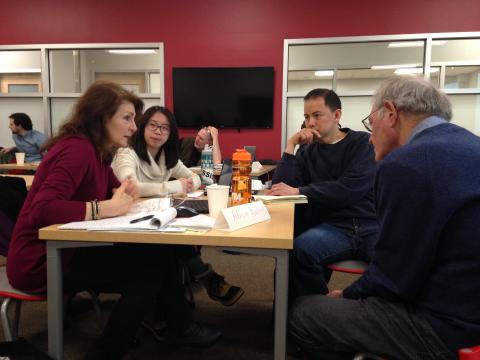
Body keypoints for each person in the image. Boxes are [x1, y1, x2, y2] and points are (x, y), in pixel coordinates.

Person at [6, 81, 221, 360]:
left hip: (71, 249)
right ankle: (115, 350)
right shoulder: (76, 150)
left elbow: (118, 190)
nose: (134, 127)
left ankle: (180, 327)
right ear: (101, 116)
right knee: (148, 273)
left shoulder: (98, 153)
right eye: (127, 118)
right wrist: (102, 208)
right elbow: (42, 210)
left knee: (159, 252)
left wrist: (124, 195)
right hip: (42, 261)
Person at [289, 76, 480, 360]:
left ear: (390, 113)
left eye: (371, 122)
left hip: (447, 328)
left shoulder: (405, 163)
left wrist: (348, 296)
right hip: (465, 305)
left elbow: (394, 279)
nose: (370, 134)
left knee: (303, 313)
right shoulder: (470, 144)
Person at [112, 105, 244, 306]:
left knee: (178, 235)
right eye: (153, 125)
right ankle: (204, 281)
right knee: (174, 244)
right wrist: (174, 186)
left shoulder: (168, 157)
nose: (158, 131)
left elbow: (195, 177)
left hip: (154, 218)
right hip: (127, 224)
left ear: (170, 132)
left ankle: (187, 294)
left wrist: (188, 183)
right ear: (142, 127)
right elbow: (131, 186)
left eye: (164, 128)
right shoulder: (127, 153)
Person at [269, 88, 378, 299]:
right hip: (333, 227)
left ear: (337, 115)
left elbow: (348, 189)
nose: (310, 123)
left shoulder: (363, 143)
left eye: (317, 115)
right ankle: (314, 312)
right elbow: (279, 190)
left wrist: (300, 190)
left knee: (398, 260)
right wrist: (290, 146)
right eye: (307, 117)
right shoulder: (307, 151)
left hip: (370, 224)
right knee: (299, 252)